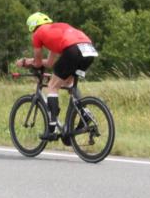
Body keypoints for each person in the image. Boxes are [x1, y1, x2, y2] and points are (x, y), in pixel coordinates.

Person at [15, 13, 98, 141]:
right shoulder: (56, 30)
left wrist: (26, 62)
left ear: (32, 26)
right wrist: (34, 61)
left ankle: (51, 128)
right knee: (68, 82)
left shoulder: (38, 34)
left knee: (52, 86)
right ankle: (85, 114)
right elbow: (49, 63)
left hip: (73, 50)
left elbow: (37, 63)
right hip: (89, 50)